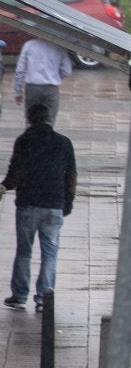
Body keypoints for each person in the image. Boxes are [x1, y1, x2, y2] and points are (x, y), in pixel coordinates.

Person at [1, 102, 77, 312]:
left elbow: (15, 172)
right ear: (49, 118)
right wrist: (67, 203)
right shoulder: (63, 143)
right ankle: (44, 297)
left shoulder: (24, 141)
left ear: (29, 119)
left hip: (28, 204)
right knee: (50, 253)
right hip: (54, 205)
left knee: (24, 252)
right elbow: (71, 176)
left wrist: (5, 186)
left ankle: (19, 295)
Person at [13, 37, 73, 127]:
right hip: (51, 88)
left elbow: (20, 70)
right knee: (50, 120)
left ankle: (30, 139)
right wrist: (55, 77)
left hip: (32, 87)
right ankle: (46, 139)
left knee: (30, 120)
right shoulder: (59, 47)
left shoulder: (29, 45)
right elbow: (66, 70)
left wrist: (18, 92)